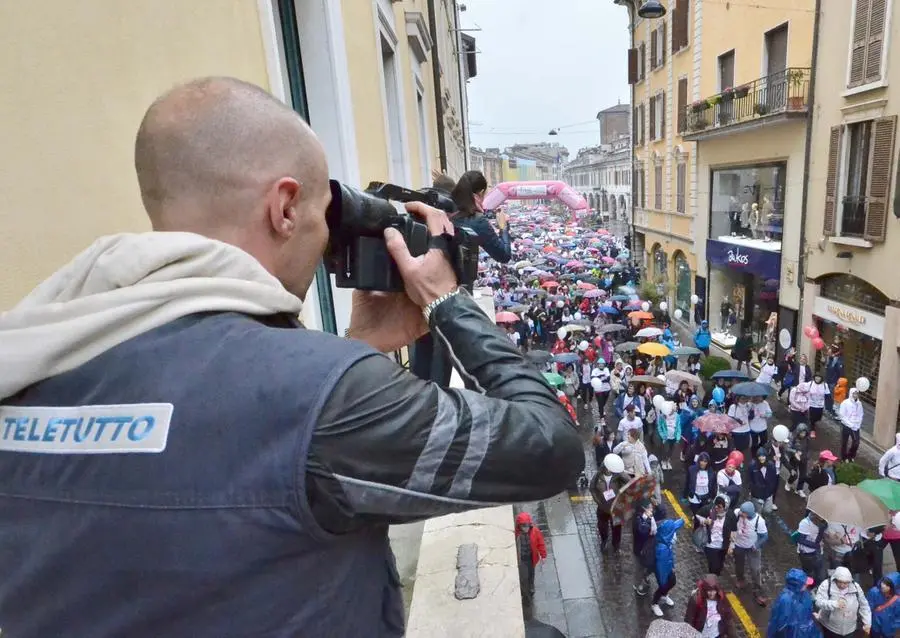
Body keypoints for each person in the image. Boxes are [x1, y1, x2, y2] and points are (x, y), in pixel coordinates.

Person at [0, 78, 585, 638]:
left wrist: (351, 353)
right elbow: (551, 446)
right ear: (283, 207)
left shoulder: (34, 357)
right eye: (322, 216)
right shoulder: (322, 400)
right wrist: (445, 302)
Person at [451, 170, 512, 263]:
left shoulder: (447, 208)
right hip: (457, 275)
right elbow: (504, 256)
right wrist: (503, 227)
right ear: (481, 192)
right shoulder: (477, 221)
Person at [729, 501, 770, 606]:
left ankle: (758, 590)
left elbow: (764, 536)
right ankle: (740, 579)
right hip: (739, 545)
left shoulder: (759, 521)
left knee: (755, 569)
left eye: (744, 513)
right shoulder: (737, 513)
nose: (741, 514)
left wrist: (756, 545)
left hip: (753, 548)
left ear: (749, 513)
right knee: (739, 565)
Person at [814, 566, 872, 637]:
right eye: (840, 582)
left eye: (845, 583)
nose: (842, 585)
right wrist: (834, 604)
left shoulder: (856, 587)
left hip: (850, 629)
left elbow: (864, 605)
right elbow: (818, 601)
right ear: (835, 579)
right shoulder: (826, 585)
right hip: (830, 628)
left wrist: (867, 622)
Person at [590, 454, 630, 553]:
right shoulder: (598, 475)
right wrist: (598, 501)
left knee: (616, 527)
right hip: (603, 507)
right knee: (602, 526)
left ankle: (616, 545)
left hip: (616, 507)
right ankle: (604, 541)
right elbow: (592, 488)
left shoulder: (619, 475)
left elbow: (630, 484)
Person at [767, 568, 822, 638]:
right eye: (805, 584)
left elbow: (807, 610)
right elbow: (779, 625)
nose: (807, 585)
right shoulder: (785, 600)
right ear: (797, 585)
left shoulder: (805, 594)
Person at [651, 518, 686, 617]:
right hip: (663, 570)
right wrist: (663, 583)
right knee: (664, 586)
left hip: (668, 566)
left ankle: (664, 594)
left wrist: (683, 520)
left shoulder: (665, 538)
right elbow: (661, 569)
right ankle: (655, 603)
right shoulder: (662, 549)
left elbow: (677, 524)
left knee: (672, 581)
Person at [515, 512, 547, 607]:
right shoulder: (516, 534)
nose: (526, 528)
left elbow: (540, 543)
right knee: (524, 577)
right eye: (523, 526)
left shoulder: (535, 531)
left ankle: (531, 586)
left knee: (531, 574)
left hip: (531, 558)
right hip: (522, 560)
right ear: (519, 526)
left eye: (527, 525)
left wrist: (543, 555)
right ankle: (526, 595)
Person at [695, 496, 731, 576]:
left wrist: (731, 545)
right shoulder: (708, 510)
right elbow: (697, 515)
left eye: (720, 507)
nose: (716, 508)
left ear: (725, 507)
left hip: (723, 546)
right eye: (716, 505)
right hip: (711, 545)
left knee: (720, 564)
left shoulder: (729, 516)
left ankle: (716, 575)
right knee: (713, 567)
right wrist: (704, 521)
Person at [633, 498, 659, 596]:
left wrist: (657, 505)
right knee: (640, 567)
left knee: (648, 565)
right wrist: (648, 519)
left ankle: (645, 576)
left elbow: (662, 513)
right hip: (641, 549)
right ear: (644, 509)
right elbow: (642, 531)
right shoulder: (637, 520)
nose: (652, 509)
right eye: (650, 507)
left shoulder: (650, 515)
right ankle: (638, 584)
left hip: (649, 547)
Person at [796, 511, 829, 586]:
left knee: (820, 575)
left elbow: (819, 538)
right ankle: (808, 588)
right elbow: (801, 540)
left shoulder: (823, 522)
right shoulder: (805, 523)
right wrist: (815, 545)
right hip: (806, 554)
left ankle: (816, 587)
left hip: (818, 552)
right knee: (809, 574)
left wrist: (823, 528)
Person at [866, 572, 900, 638]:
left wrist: (892, 625)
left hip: (888, 629)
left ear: (893, 587)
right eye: (883, 582)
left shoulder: (897, 600)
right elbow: (867, 607)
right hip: (875, 625)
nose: (883, 585)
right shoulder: (874, 592)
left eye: (887, 585)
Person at [749, 448, 779, 514]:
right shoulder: (752, 466)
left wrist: (771, 491)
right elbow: (749, 479)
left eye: (763, 456)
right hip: (757, 494)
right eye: (759, 456)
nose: (761, 458)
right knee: (758, 512)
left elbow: (774, 479)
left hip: (768, 493)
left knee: (767, 511)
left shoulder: (771, 465)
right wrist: (752, 490)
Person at [785, 423, 812, 497]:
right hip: (794, 459)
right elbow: (787, 448)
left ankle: (799, 489)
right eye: (801, 433)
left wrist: (807, 456)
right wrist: (795, 452)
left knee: (803, 475)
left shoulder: (807, 439)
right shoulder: (793, 438)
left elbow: (809, 449)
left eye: (804, 433)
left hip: (803, 460)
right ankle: (789, 482)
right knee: (794, 474)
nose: (803, 434)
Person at [839, 388, 865, 463]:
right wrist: (849, 424)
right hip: (846, 425)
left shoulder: (859, 404)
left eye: (856, 394)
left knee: (856, 442)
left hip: (855, 426)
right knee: (844, 442)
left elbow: (861, 414)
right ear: (851, 394)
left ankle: (851, 455)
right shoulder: (845, 403)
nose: (855, 395)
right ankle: (844, 457)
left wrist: (858, 422)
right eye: (854, 394)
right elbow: (842, 415)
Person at [656, 401, 682, 471]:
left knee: (671, 450)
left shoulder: (677, 416)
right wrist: (663, 436)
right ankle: (663, 461)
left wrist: (678, 437)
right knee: (665, 449)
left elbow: (678, 427)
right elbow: (659, 427)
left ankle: (668, 461)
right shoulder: (662, 416)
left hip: (674, 437)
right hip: (666, 437)